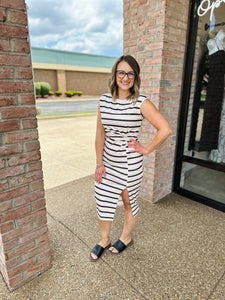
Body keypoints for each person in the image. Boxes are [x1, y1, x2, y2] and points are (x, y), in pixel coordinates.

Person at [90, 55, 172, 261]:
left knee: (128, 202)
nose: (125, 77)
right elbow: (100, 133)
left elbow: (165, 129)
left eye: (130, 73)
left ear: (135, 77)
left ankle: (126, 237)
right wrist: (99, 162)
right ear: (115, 74)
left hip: (129, 164)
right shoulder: (104, 100)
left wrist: (145, 149)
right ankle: (104, 239)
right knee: (103, 200)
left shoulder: (141, 102)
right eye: (121, 72)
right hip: (108, 162)